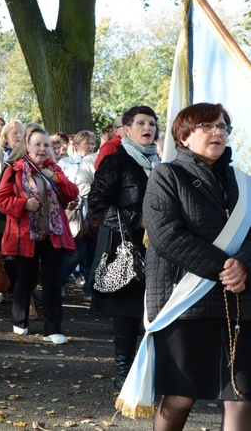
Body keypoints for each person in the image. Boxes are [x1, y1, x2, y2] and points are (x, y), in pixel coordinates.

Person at [143, 103, 251, 429]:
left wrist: (244, 264)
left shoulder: (243, 182)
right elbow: (166, 237)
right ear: (185, 136)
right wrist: (226, 268)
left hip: (238, 302)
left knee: (240, 398)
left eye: (223, 127)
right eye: (207, 126)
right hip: (185, 302)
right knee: (179, 398)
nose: (218, 132)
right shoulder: (166, 175)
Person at [88, 105, 160, 388]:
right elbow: (96, 205)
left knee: (151, 313)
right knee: (127, 314)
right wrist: (136, 220)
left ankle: (146, 374)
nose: (148, 128)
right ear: (126, 130)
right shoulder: (116, 161)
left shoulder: (161, 163)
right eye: (141, 123)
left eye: (152, 124)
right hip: (124, 246)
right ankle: (124, 376)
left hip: (156, 248)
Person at [0, 123, 78, 344]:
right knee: (26, 278)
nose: (42, 148)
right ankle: (19, 321)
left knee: (53, 280)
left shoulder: (55, 169)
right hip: (25, 235)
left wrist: (56, 177)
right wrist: (23, 204)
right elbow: (1, 200)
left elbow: (72, 193)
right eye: (38, 144)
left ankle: (53, 329)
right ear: (27, 147)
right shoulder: (14, 169)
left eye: (46, 144)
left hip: (54, 233)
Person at [57, 130, 97, 295]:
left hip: (94, 212)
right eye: (87, 143)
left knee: (93, 253)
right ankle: (59, 281)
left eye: (93, 143)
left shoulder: (97, 161)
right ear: (76, 145)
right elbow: (59, 186)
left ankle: (89, 289)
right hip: (75, 213)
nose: (90, 146)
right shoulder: (65, 163)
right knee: (77, 252)